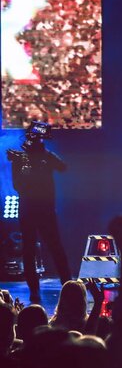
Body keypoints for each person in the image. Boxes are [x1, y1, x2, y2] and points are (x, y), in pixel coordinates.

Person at [6, 122, 72, 304]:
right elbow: (17, 185)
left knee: (56, 247)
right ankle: (34, 291)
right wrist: (27, 165)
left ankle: (68, 284)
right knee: (29, 251)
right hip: (28, 210)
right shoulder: (19, 158)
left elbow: (63, 167)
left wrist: (43, 156)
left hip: (46, 209)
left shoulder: (46, 157)